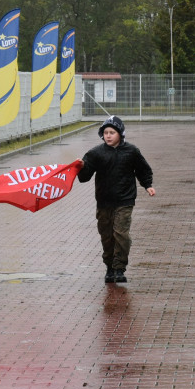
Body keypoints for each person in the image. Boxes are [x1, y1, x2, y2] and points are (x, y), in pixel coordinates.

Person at [77, 115, 155, 284]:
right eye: (105, 132)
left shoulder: (131, 151)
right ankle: (110, 267)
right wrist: (81, 167)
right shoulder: (95, 153)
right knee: (107, 236)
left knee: (121, 234)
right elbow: (84, 177)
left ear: (120, 134)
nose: (109, 136)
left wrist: (147, 184)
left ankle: (119, 268)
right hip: (104, 202)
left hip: (124, 201)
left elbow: (143, 169)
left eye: (112, 132)